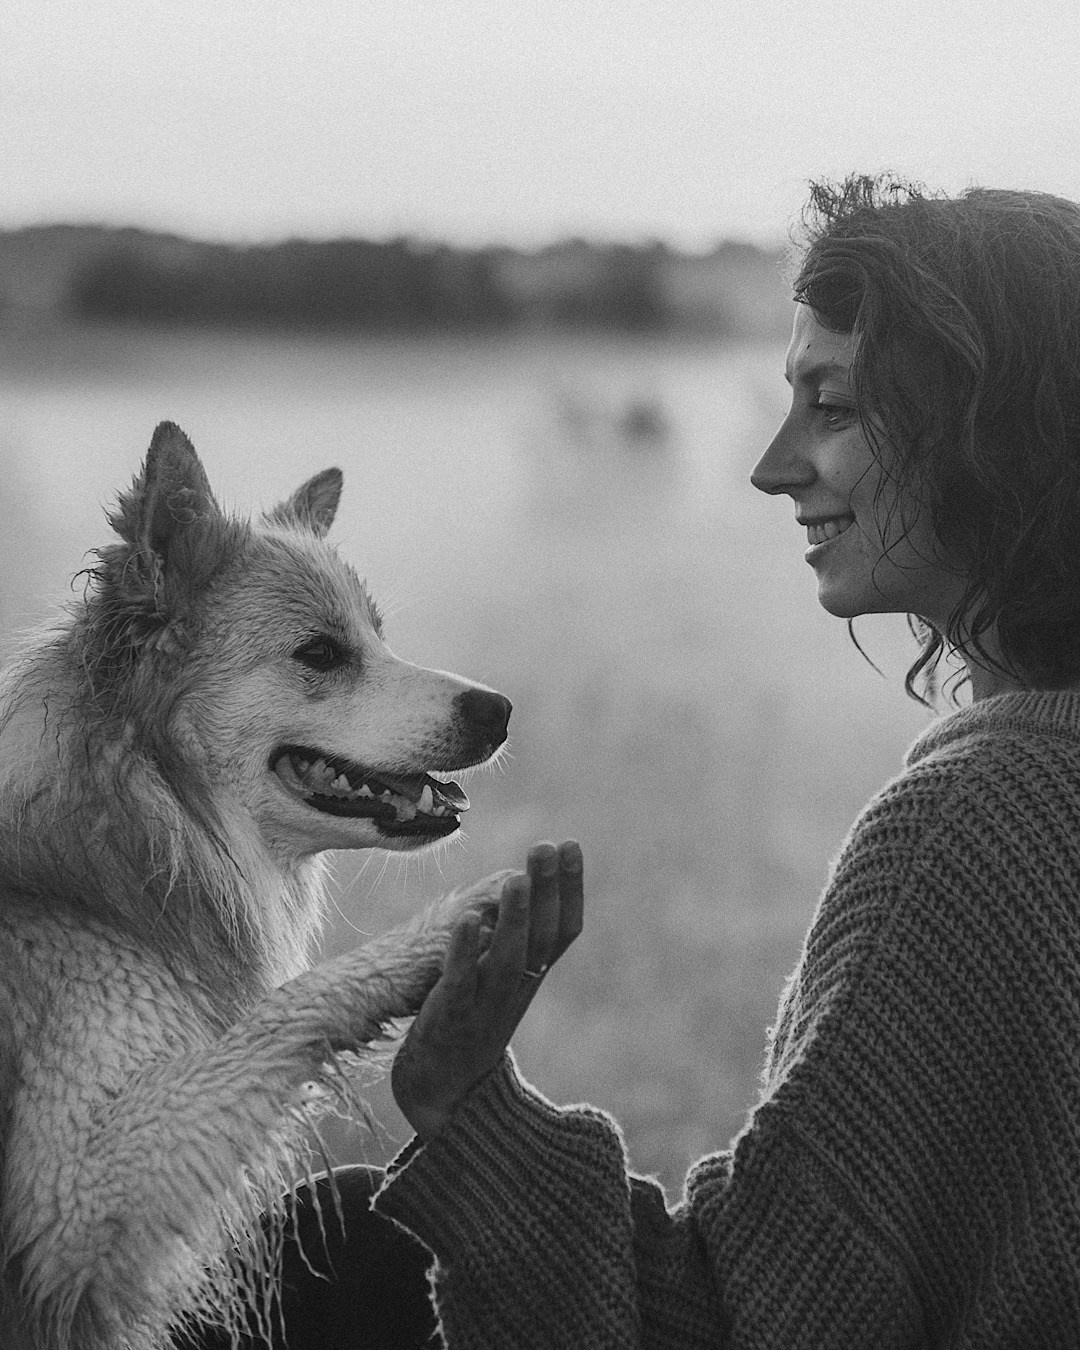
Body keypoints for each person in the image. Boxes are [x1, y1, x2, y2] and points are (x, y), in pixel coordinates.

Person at [366, 177, 1080, 1347]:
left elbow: (738, 1327)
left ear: (987, 433)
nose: (771, 465)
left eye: (833, 407)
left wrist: (465, 1105)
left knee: (329, 1249)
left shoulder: (977, 826)